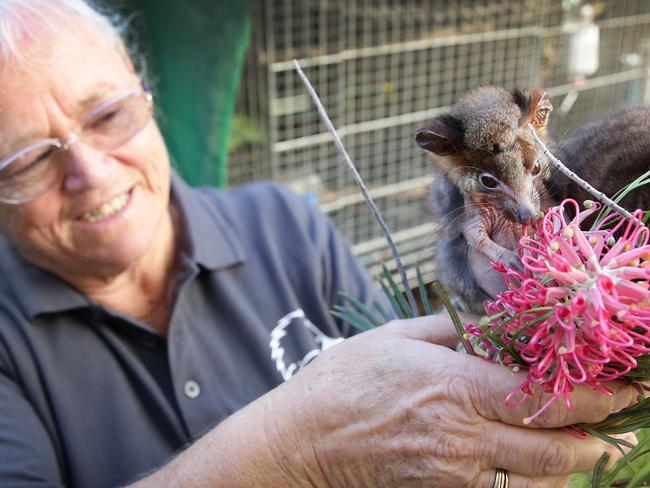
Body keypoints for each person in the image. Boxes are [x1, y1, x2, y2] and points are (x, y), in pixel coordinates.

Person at [0, 1, 636, 487]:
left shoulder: (284, 225)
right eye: (26, 160)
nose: (91, 174)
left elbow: (419, 400)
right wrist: (295, 450)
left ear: (146, 93)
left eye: (108, 114)